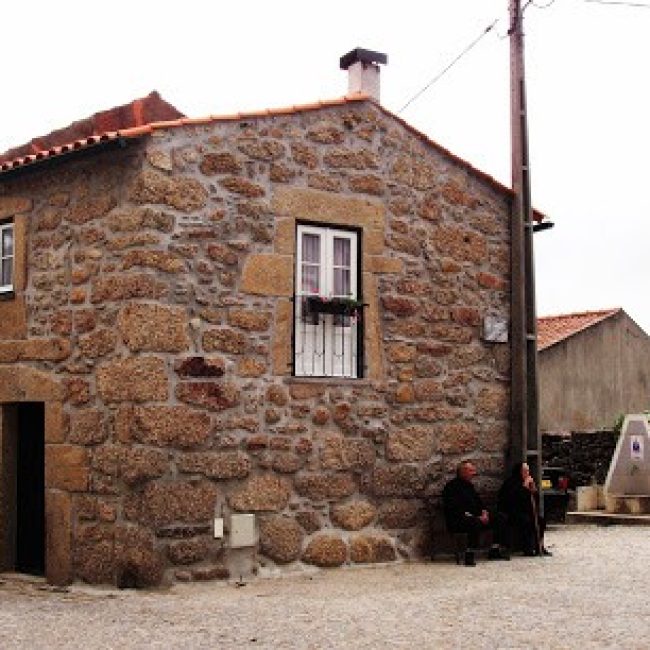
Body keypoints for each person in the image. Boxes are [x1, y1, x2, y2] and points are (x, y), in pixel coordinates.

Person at [442, 460, 509, 566]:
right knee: (474, 522)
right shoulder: (451, 487)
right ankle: (469, 554)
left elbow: (479, 503)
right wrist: (475, 517)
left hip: (476, 517)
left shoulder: (470, 486)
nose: (474, 473)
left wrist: (484, 513)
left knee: (501, 517)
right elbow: (454, 508)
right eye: (471, 471)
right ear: (463, 472)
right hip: (459, 520)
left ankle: (495, 549)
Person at [498, 462, 552, 557]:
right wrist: (524, 487)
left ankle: (539, 546)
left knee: (541, 520)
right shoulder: (511, 483)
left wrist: (534, 491)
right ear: (519, 472)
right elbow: (514, 499)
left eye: (528, 470)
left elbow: (534, 501)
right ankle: (528, 547)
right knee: (525, 521)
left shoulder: (528, 483)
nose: (527, 473)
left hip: (525, 511)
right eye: (524, 471)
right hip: (512, 512)